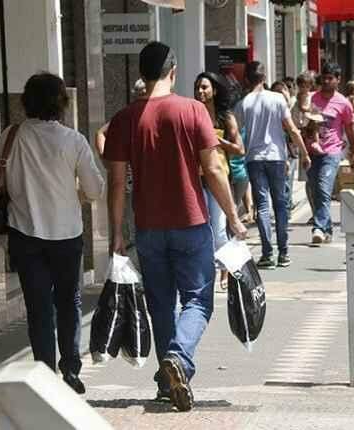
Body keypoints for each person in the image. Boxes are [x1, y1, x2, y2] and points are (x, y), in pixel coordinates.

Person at [104, 42, 247, 411]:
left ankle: (168, 383)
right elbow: (214, 168)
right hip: (191, 222)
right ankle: (178, 360)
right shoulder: (192, 110)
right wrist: (233, 217)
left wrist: (117, 232)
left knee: (161, 304)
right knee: (198, 300)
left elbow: (117, 182)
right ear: (173, 71)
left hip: (148, 227)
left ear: (141, 74)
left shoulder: (123, 120)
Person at [0, 72, 105, 394]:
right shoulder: (73, 140)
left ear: (26, 101)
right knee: (69, 303)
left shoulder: (11, 137)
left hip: (25, 236)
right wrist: (73, 195)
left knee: (39, 309)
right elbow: (95, 189)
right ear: (62, 104)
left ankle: (45, 375)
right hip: (67, 235)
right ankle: (71, 370)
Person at [234, 61, 310, 269]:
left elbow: (235, 132)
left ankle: (267, 253)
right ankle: (283, 252)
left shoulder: (244, 103)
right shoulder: (277, 99)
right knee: (281, 204)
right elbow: (292, 129)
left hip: (254, 159)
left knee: (263, 206)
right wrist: (304, 154)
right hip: (276, 157)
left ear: (247, 80)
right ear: (264, 78)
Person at [194, 72, 245, 289]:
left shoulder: (226, 117)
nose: (200, 91)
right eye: (197, 87)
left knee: (219, 228)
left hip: (220, 178)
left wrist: (218, 140)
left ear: (214, 90)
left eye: (204, 87)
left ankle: (226, 270)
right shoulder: (192, 115)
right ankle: (206, 274)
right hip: (196, 179)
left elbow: (240, 150)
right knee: (202, 229)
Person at [95, 79, 147, 265]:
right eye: (140, 94)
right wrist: (106, 159)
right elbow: (100, 133)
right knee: (128, 224)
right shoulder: (125, 117)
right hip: (127, 181)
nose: (143, 97)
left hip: (146, 184)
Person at [308, 63, 354, 245]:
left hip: (332, 151)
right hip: (313, 151)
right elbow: (304, 124)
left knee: (323, 187)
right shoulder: (312, 99)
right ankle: (327, 228)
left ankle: (319, 228)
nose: (327, 81)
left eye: (331, 78)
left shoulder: (343, 103)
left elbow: (350, 130)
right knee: (315, 190)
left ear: (338, 80)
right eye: (325, 77)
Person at [291, 71, 317, 223]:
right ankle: (314, 210)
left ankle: (316, 211)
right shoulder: (300, 98)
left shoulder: (313, 96)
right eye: (301, 85)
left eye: (307, 85)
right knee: (309, 178)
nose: (304, 88)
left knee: (313, 177)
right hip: (303, 139)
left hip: (309, 137)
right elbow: (303, 109)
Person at [271, 81, 298, 218]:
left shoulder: (292, 108)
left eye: (283, 92)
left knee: (287, 181)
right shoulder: (269, 110)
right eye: (276, 93)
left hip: (290, 149)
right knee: (278, 183)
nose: (279, 96)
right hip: (274, 150)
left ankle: (285, 211)